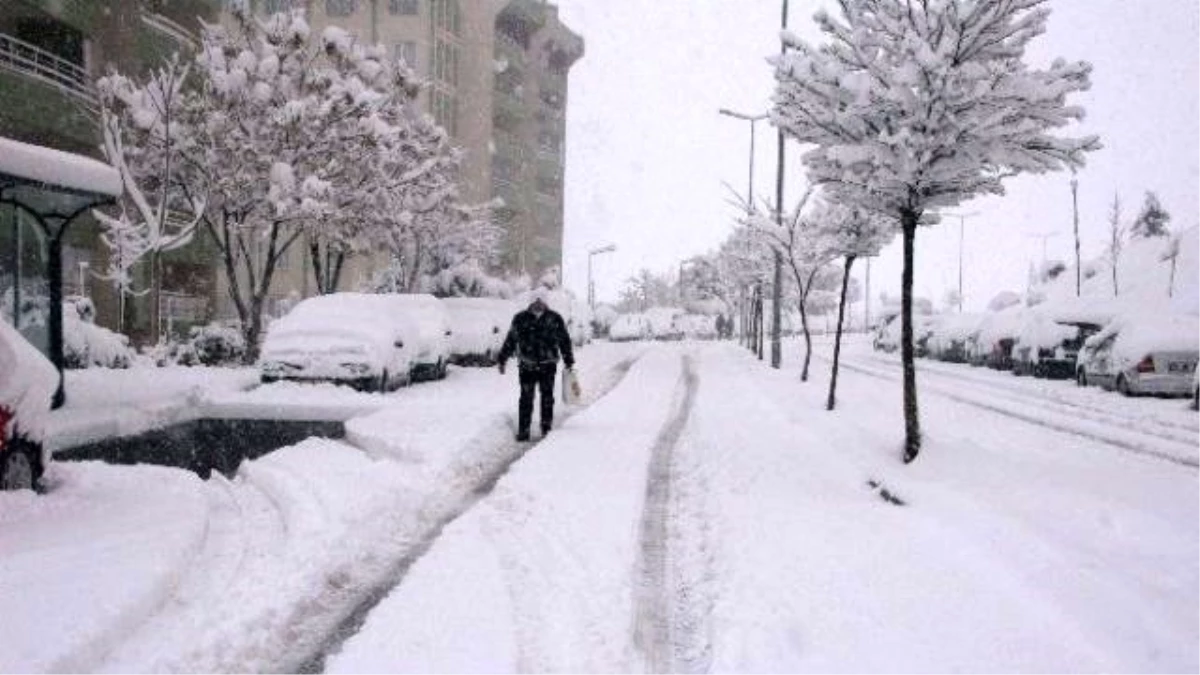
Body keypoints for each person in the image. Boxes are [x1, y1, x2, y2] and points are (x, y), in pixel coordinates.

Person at [497, 288, 576, 441]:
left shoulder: (555, 318)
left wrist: (569, 360)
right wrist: (502, 359)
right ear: (531, 302)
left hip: (548, 365)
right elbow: (511, 340)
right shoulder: (520, 318)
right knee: (526, 398)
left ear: (546, 302)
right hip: (527, 365)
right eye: (535, 301)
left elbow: (564, 341)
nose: (538, 305)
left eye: (541, 302)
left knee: (547, 398)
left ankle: (546, 430)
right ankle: (523, 431)